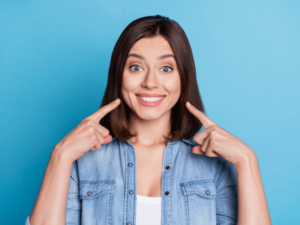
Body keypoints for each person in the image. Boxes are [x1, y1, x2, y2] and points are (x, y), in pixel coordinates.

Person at [25, 15, 271, 225]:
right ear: (118, 75)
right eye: (135, 67)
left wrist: (247, 161)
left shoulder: (216, 165)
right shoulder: (81, 162)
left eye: (166, 68)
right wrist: (60, 155)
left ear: (183, 78)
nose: (151, 83)